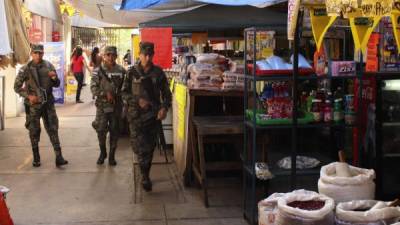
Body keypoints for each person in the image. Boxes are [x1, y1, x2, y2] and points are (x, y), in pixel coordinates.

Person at [122, 42, 172, 191]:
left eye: (150, 55)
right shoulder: (131, 72)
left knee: (149, 148)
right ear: (140, 55)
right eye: (145, 55)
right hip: (135, 117)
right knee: (138, 148)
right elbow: (123, 93)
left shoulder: (158, 73)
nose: (148, 58)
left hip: (152, 116)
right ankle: (144, 171)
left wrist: (164, 108)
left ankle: (145, 176)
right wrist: (137, 100)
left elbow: (167, 94)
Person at [14, 44, 68, 167]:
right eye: (36, 53)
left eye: (40, 53)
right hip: (33, 106)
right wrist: (29, 96)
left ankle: (59, 157)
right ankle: (36, 157)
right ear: (31, 53)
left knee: (53, 128)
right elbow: (16, 87)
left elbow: (57, 83)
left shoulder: (48, 66)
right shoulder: (25, 69)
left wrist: (54, 78)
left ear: (43, 53)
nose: (38, 55)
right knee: (34, 130)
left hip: (48, 104)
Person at [91, 46, 126, 166]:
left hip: (116, 107)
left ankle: (112, 156)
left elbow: (125, 88)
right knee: (101, 130)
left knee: (115, 131)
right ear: (104, 56)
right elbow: (93, 88)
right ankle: (103, 153)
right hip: (102, 107)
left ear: (116, 56)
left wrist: (120, 96)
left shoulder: (121, 70)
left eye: (113, 55)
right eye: (108, 55)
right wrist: (105, 94)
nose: (111, 57)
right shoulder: (97, 71)